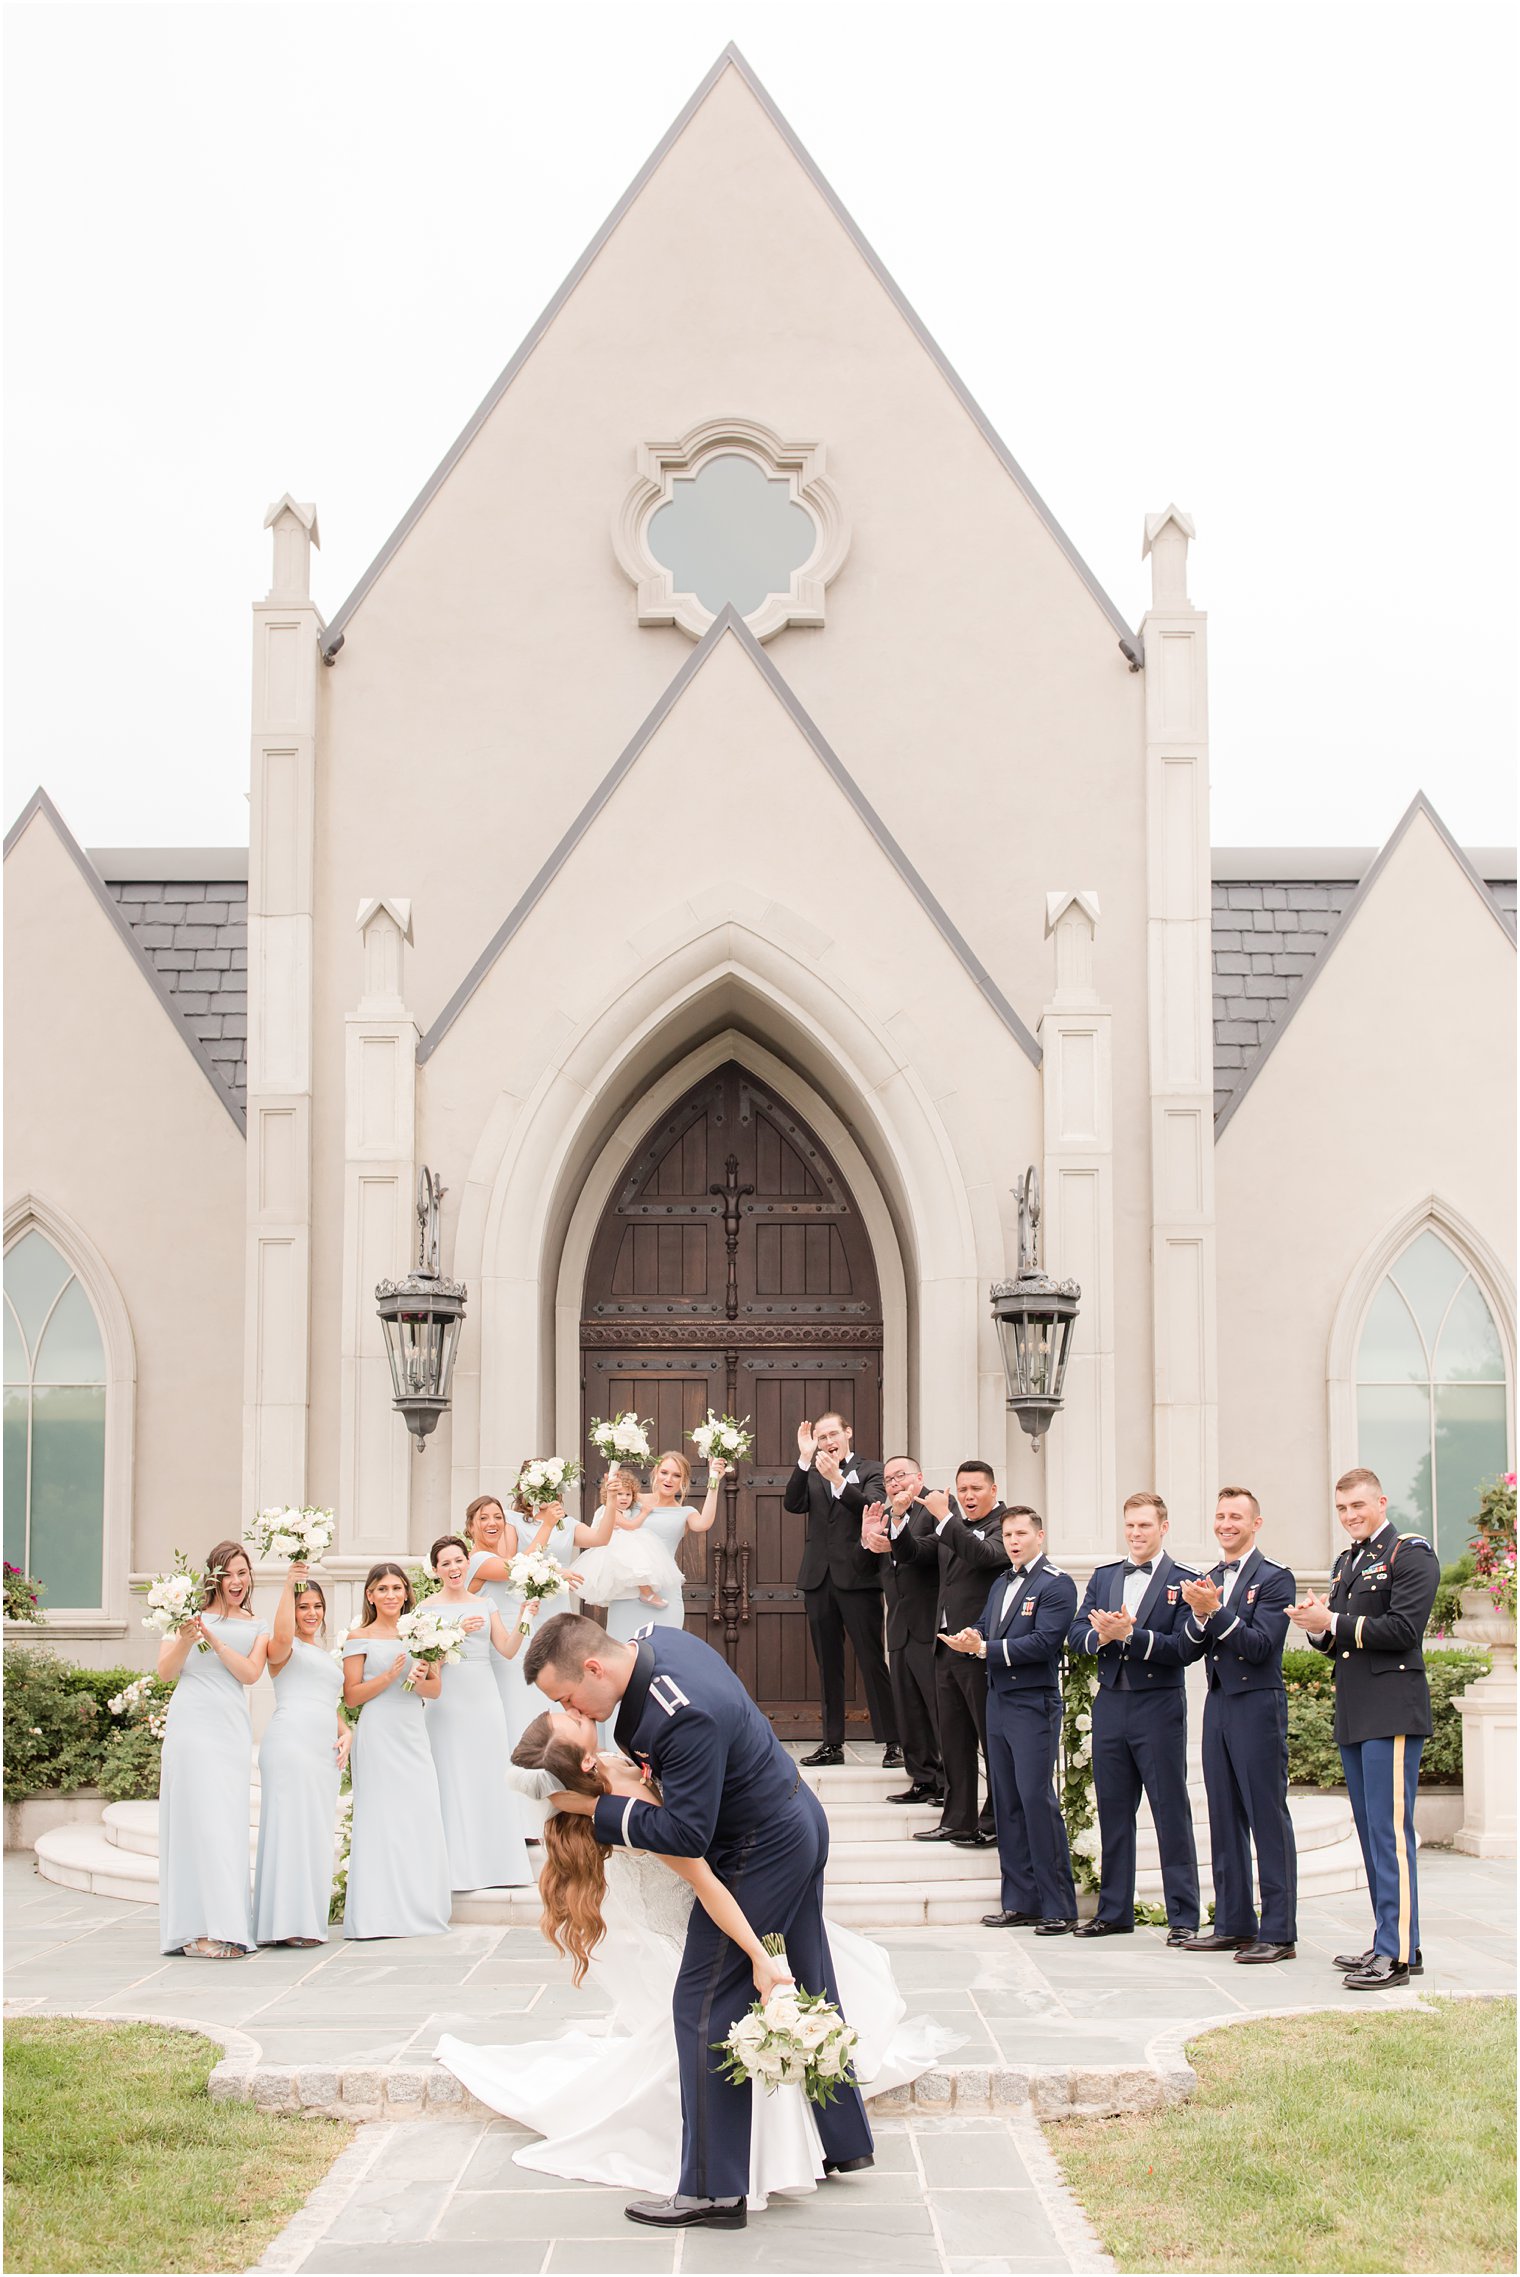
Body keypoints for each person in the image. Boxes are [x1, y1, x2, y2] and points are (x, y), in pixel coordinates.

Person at [435, 1711, 955, 2208]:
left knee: (784, 1996)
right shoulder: (626, 1802)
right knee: (733, 2015)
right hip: (714, 1912)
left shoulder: (614, 1766)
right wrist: (756, 1954)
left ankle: (812, 2134)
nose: (571, 1707)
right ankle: (756, 2156)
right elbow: (706, 1885)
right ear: (585, 1762)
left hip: (738, 1895)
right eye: (567, 1718)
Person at [522, 1609, 876, 2231]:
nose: (575, 1710)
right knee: (812, 1978)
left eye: (567, 1695)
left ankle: (713, 2191)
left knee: (704, 2003)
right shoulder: (656, 1644)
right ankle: (845, 2139)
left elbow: (686, 1836)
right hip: (793, 1815)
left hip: (760, 1845)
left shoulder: (680, 1715)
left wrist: (591, 1806)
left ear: (595, 1667)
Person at [1288, 1467, 1439, 1988]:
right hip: (1356, 1711)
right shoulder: (1349, 1561)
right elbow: (1343, 1642)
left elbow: (1402, 1630)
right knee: (1373, 1835)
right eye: (1342, 1509)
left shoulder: (1409, 1552)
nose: (1350, 1516)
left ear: (1381, 1501)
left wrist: (1333, 1622)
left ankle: (1394, 1956)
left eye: (1358, 1506)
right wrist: (1317, 1625)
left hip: (1392, 1711)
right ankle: (1394, 1941)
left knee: (1389, 1834)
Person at [1068, 1491, 1200, 1942]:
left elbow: (1185, 1647)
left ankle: (1184, 1917)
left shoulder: (1184, 1580)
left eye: (1144, 1525)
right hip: (1110, 1703)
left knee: (1170, 1812)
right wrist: (1100, 1639)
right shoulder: (1105, 1577)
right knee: (1114, 1811)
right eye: (1130, 1526)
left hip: (1158, 1704)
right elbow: (1076, 1629)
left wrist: (1134, 1635)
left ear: (1163, 1527)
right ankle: (1114, 1911)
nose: (1136, 1534)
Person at [941, 1506, 1078, 1934]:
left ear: (1041, 1535)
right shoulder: (1001, 1582)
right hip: (998, 1700)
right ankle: (1020, 1901)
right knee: (1006, 1801)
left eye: (1021, 1533)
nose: (1014, 1541)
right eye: (1008, 1534)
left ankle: (1058, 1905)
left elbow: (1044, 1642)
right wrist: (971, 1637)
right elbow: (986, 1625)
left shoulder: (1057, 1585)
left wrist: (986, 1650)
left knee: (1036, 1800)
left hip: (1032, 1702)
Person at [1177, 1488, 1299, 1964]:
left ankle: (1279, 1931)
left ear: (1256, 1523)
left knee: (1266, 1816)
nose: (1226, 1524)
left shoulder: (1275, 1577)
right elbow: (1188, 1648)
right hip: (1219, 1703)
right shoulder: (1206, 1578)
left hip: (1257, 1704)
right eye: (1220, 1516)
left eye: (1236, 1517)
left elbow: (1262, 1645)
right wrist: (1197, 1614)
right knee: (1224, 1814)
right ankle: (1232, 1922)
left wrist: (1216, 1611)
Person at [158, 1541, 270, 1958]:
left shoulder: (257, 1626)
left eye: (242, 1572)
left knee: (224, 1823)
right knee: (194, 1822)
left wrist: (216, 1641)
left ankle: (227, 1925)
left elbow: (251, 1673)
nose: (237, 1581)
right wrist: (188, 1638)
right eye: (228, 1574)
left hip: (229, 1727)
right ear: (213, 1577)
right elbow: (166, 1672)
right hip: (190, 1724)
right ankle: (195, 1931)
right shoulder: (184, 1616)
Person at [898, 1462, 1010, 1846]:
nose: (967, 1496)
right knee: (954, 1740)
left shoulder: (1004, 1527)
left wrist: (945, 1517)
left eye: (976, 1489)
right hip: (945, 1646)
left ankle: (995, 1822)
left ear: (993, 1491)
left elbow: (981, 1555)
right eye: (962, 1490)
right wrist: (898, 1521)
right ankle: (957, 1820)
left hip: (981, 1650)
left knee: (989, 1739)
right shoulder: (953, 1527)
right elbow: (916, 1552)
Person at [340, 1561, 452, 1939]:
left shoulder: (422, 1632)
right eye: (382, 1589)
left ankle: (418, 1909)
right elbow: (351, 1697)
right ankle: (377, 1915)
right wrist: (389, 1676)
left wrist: (419, 1679)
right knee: (381, 1818)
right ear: (370, 1595)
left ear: (407, 1592)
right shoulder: (359, 1636)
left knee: (419, 1813)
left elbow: (435, 1690)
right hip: (378, 1730)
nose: (390, 1595)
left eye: (396, 1588)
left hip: (412, 1729)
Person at [785, 1414, 898, 1770]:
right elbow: (793, 1503)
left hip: (858, 1577)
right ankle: (832, 1743)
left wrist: (837, 1480)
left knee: (871, 1660)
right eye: (821, 1437)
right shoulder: (812, 1469)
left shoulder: (871, 1469)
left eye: (833, 1433)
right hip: (818, 1578)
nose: (828, 1441)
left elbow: (873, 1507)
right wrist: (804, 1461)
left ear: (848, 1433)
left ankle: (893, 1741)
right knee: (828, 1664)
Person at [426, 1534, 535, 1890]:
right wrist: (454, 1632)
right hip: (447, 1702)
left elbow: (505, 1649)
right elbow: (428, 1667)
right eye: (446, 1563)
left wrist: (523, 1617)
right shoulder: (425, 1610)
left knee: (491, 1774)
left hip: (485, 1698)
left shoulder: (485, 1603)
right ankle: (457, 1868)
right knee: (453, 1775)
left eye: (459, 1560)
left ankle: (499, 1866)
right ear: (436, 1570)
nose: (455, 1568)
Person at [463, 1490, 607, 1748]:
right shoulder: (478, 1560)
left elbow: (520, 1568)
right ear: (470, 1527)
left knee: (527, 1706)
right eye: (483, 1518)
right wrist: (549, 1527)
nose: (492, 1523)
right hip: (503, 1648)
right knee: (517, 1709)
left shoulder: (497, 1559)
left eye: (498, 1517)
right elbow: (522, 1566)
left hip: (519, 1641)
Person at [253, 1562, 349, 1947]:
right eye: (303, 1606)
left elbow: (330, 1701)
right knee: (289, 1831)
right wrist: (286, 1586)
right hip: (290, 1743)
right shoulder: (281, 1647)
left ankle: (302, 1921)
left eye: (316, 1606)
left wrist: (348, 1732)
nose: (311, 1613)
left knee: (312, 1833)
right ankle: (285, 1925)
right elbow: (280, 1636)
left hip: (321, 1751)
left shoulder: (321, 1653)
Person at [861, 1459, 944, 1806]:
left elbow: (926, 1553)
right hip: (898, 1625)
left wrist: (894, 1536)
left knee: (936, 1708)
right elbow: (864, 1569)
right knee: (908, 1708)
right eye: (888, 1479)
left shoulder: (933, 1509)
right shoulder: (885, 1515)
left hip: (928, 1623)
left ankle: (949, 1781)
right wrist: (867, 1539)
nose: (894, 1484)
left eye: (901, 1476)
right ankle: (922, 1778)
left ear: (919, 1478)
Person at [590, 1453, 725, 1645]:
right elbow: (606, 1522)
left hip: (665, 1596)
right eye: (664, 1472)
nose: (669, 1479)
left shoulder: (685, 1512)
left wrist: (714, 1482)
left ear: (684, 1480)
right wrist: (611, 1488)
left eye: (676, 1475)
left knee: (664, 1654)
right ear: (655, 1473)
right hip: (628, 1593)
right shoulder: (632, 1501)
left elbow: (703, 1524)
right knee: (621, 1655)